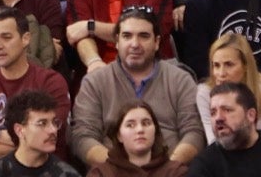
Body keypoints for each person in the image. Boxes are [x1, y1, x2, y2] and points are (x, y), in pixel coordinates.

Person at [72, 9, 203, 166]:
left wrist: (166, 170)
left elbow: (194, 133)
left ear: (157, 42)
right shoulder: (94, 82)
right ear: (117, 41)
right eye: (127, 36)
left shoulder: (180, 79)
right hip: (113, 176)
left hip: (170, 175)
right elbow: (82, 137)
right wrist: (122, 170)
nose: (135, 44)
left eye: (144, 36)